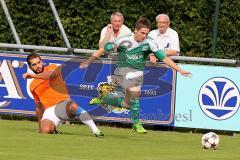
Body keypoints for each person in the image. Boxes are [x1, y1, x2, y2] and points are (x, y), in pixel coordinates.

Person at [80, 17, 191, 134]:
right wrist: (89, 61)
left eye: (147, 33)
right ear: (135, 30)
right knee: (135, 92)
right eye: (142, 33)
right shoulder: (124, 41)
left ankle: (104, 99)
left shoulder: (150, 43)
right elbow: (104, 49)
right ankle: (137, 124)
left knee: (127, 105)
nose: (144, 36)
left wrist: (179, 70)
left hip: (137, 75)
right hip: (122, 72)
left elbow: (164, 58)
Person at [22, 53, 104, 137]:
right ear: (30, 67)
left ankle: (96, 131)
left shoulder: (52, 67)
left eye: (39, 62)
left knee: (72, 105)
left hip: (63, 105)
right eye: (34, 64)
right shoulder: (32, 86)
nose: (38, 66)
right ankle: (53, 129)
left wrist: (34, 75)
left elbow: (51, 75)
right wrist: (40, 127)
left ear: (42, 62)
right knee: (45, 130)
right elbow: (39, 107)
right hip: (50, 110)